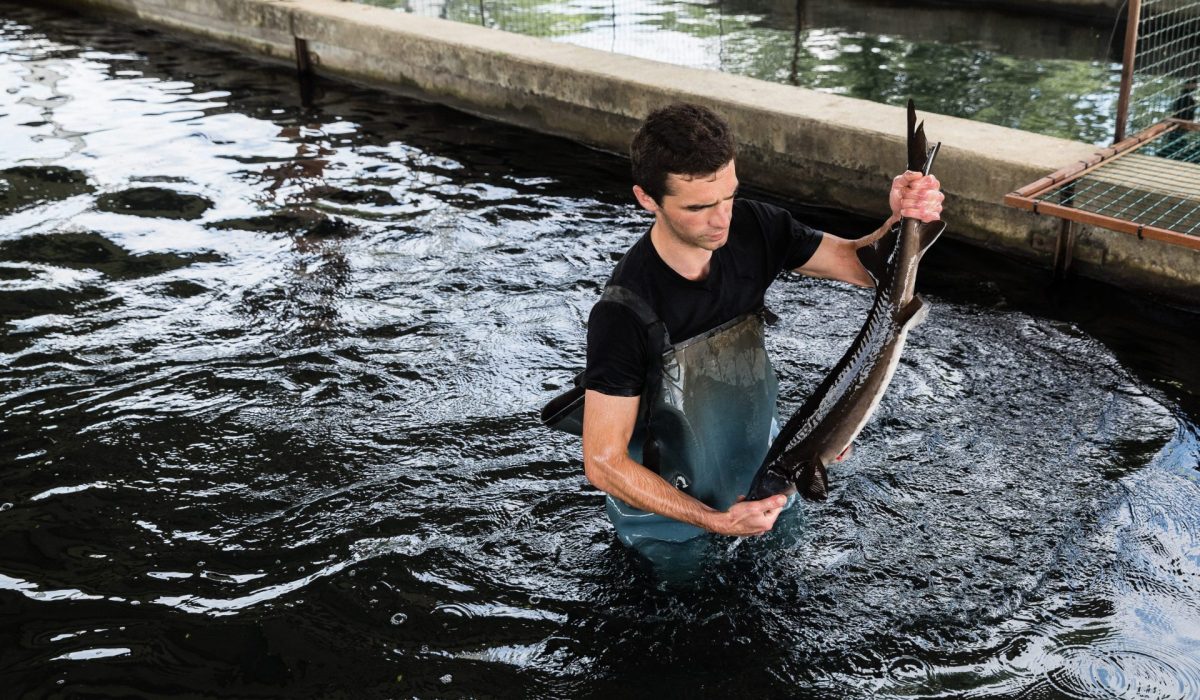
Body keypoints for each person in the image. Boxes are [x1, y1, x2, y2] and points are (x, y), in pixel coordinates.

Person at [578, 103, 943, 552]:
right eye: (698, 207)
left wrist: (900, 219)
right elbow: (603, 461)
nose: (722, 220)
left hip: (767, 474)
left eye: (728, 197)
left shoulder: (753, 226)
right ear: (647, 198)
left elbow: (864, 267)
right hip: (669, 520)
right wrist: (714, 520)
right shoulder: (623, 311)